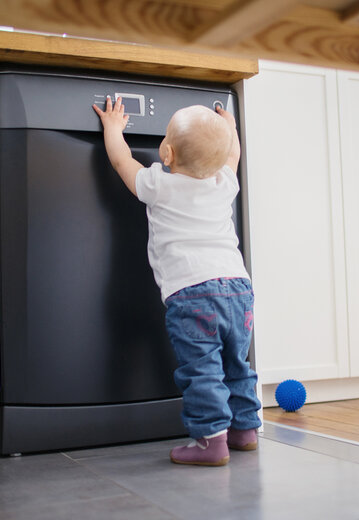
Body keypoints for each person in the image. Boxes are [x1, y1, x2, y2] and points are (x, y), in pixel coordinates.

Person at [93, 96, 262, 466]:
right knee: (236, 362)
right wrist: (230, 130)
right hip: (238, 288)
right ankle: (245, 430)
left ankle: (210, 441)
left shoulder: (159, 184)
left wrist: (113, 129)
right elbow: (231, 156)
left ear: (166, 153)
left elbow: (123, 161)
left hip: (192, 292)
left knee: (202, 367)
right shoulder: (224, 183)